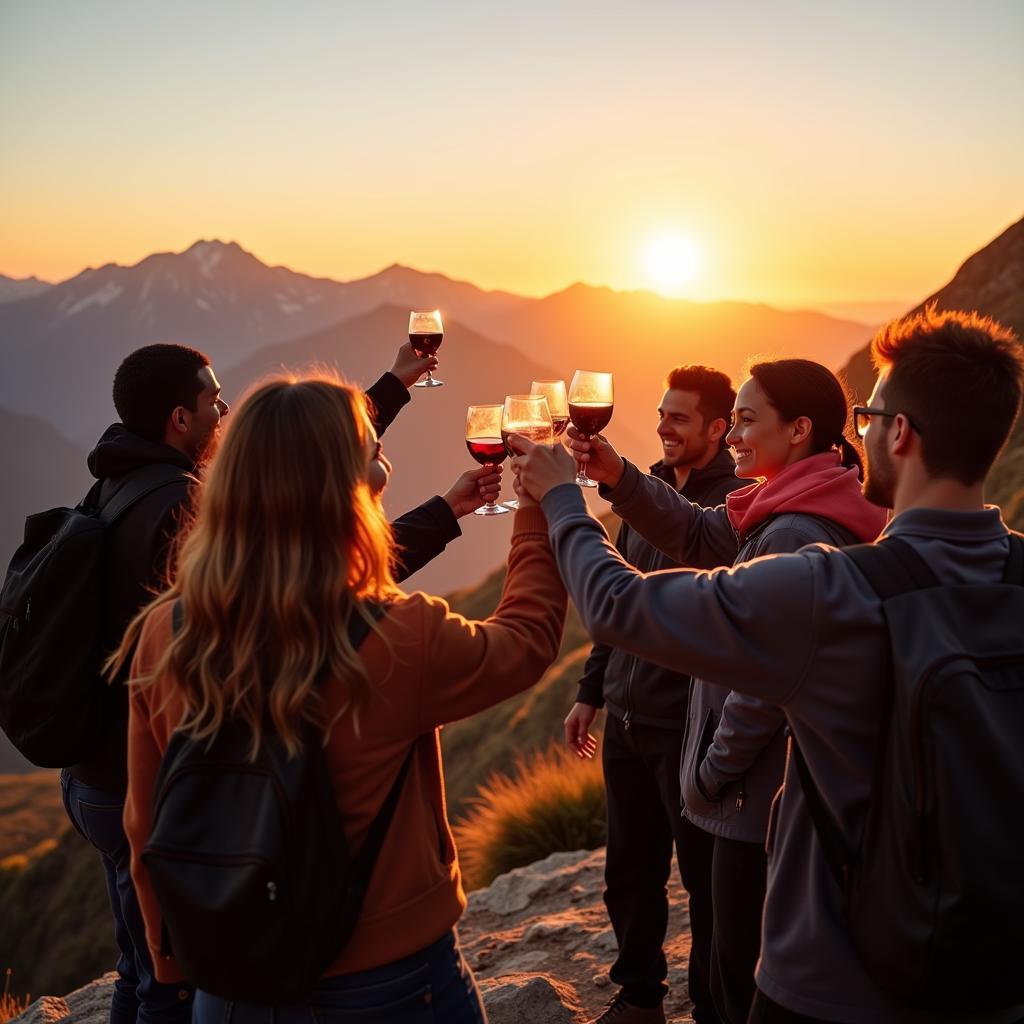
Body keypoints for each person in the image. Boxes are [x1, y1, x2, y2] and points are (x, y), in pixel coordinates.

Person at [512, 308, 1024, 1024]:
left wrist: (562, 499)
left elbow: (618, 606)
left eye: (869, 413)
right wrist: (617, 478)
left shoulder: (828, 587)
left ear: (899, 434)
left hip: (832, 981)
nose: (862, 429)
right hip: (992, 972)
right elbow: (702, 531)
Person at [62, 341, 496, 1024]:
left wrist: (395, 393)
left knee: (147, 970)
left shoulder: (120, 483)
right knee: (155, 983)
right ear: (180, 419)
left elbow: (300, 450)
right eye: (212, 401)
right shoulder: (183, 510)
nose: (225, 409)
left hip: (104, 768)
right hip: (188, 782)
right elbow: (313, 595)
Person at [575, 358, 885, 1024]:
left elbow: (764, 686)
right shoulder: (775, 507)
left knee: (732, 981)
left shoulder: (796, 531)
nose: (735, 434)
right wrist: (616, 474)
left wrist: (710, 773)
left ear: (799, 430)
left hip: (751, 804)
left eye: (746, 420)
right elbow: (696, 532)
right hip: (746, 795)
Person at [568, 365, 750, 1024]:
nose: (662, 427)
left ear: (717, 428)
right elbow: (620, 603)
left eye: (679, 417)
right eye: (662, 413)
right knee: (629, 872)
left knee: (706, 881)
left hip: (689, 724)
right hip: (627, 712)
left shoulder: (736, 504)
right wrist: (591, 691)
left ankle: (710, 1006)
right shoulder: (639, 493)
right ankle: (640, 994)